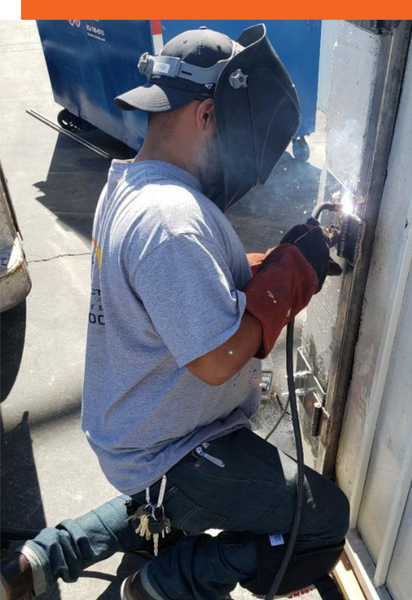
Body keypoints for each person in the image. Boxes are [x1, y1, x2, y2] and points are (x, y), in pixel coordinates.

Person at [1, 24, 348, 600]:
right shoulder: (170, 219)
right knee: (319, 519)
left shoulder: (135, 184)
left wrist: (273, 263)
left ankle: (41, 558)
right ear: (206, 114)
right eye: (236, 129)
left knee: (158, 506)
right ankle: (164, 586)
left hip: (140, 430)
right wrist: (283, 286)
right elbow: (215, 362)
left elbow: (184, 285)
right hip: (174, 444)